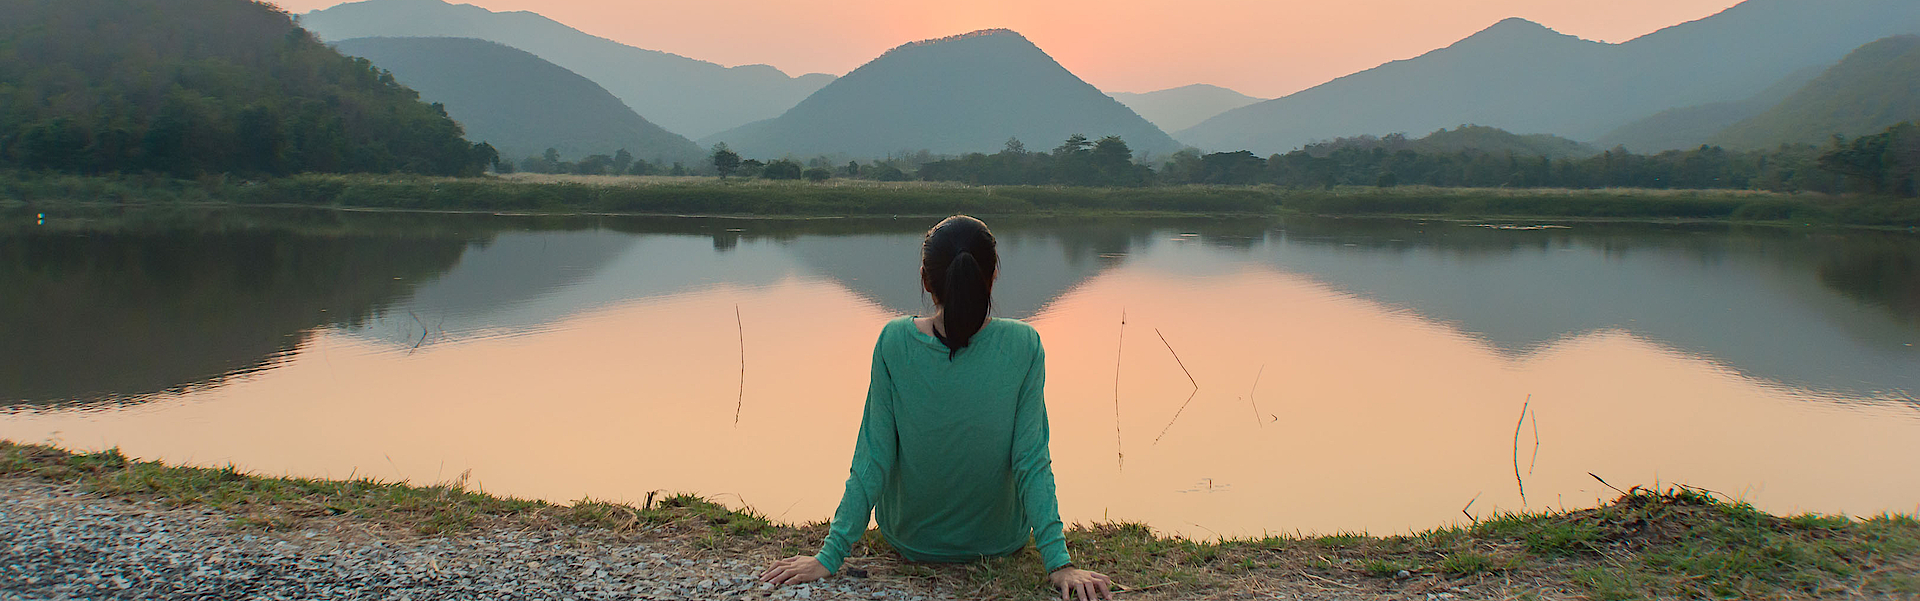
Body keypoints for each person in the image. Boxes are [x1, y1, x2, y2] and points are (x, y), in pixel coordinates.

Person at [759, 215, 1114, 601]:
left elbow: (873, 456)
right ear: (993, 275)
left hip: (909, 539)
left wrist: (829, 557)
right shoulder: (1024, 344)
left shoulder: (894, 341)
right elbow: (1031, 459)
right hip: (998, 540)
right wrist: (1059, 564)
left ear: (926, 281)